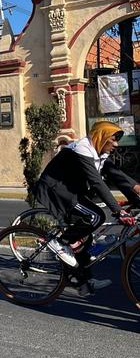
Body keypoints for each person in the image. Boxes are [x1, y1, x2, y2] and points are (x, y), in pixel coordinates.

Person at [33, 121, 140, 296]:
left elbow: (118, 176)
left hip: (72, 191)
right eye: (113, 140)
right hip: (57, 189)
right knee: (96, 217)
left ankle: (82, 282)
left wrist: (136, 192)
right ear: (101, 137)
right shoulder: (82, 150)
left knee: (85, 238)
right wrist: (117, 211)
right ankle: (59, 242)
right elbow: (97, 183)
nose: (116, 144)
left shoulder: (99, 153)